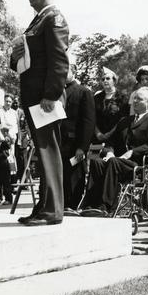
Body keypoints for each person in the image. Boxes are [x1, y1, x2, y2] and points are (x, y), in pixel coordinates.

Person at [12, 0, 69, 227]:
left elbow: (59, 60)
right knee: (42, 152)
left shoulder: (53, 18)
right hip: (35, 97)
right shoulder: (39, 19)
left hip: (44, 98)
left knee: (49, 151)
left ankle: (53, 210)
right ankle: (44, 206)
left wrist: (50, 94)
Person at [83, 87, 148, 212]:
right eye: (134, 98)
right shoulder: (125, 121)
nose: (135, 101)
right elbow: (111, 141)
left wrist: (132, 152)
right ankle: (90, 204)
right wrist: (109, 152)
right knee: (97, 161)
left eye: (139, 99)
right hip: (117, 161)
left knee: (114, 162)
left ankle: (106, 206)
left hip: (138, 165)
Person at [61, 66, 96, 211]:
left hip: (75, 144)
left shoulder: (84, 92)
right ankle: (62, 204)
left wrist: (82, 146)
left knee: (74, 177)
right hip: (59, 142)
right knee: (62, 176)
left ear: (73, 73)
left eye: (66, 71)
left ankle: (72, 205)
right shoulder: (56, 92)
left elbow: (88, 122)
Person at [94, 67, 127, 155]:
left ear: (114, 81)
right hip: (97, 139)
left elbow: (123, 119)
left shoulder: (122, 98)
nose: (105, 81)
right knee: (95, 162)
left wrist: (109, 134)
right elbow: (92, 117)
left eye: (108, 78)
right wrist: (98, 133)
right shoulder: (96, 98)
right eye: (103, 79)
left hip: (115, 139)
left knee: (111, 164)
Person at [0, 94, 19, 205]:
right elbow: (1, 126)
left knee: (9, 169)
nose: (8, 103)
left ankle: (9, 196)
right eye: (6, 101)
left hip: (11, 142)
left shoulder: (14, 113)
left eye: (10, 101)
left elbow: (15, 127)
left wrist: (12, 136)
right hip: (1, 142)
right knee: (0, 171)